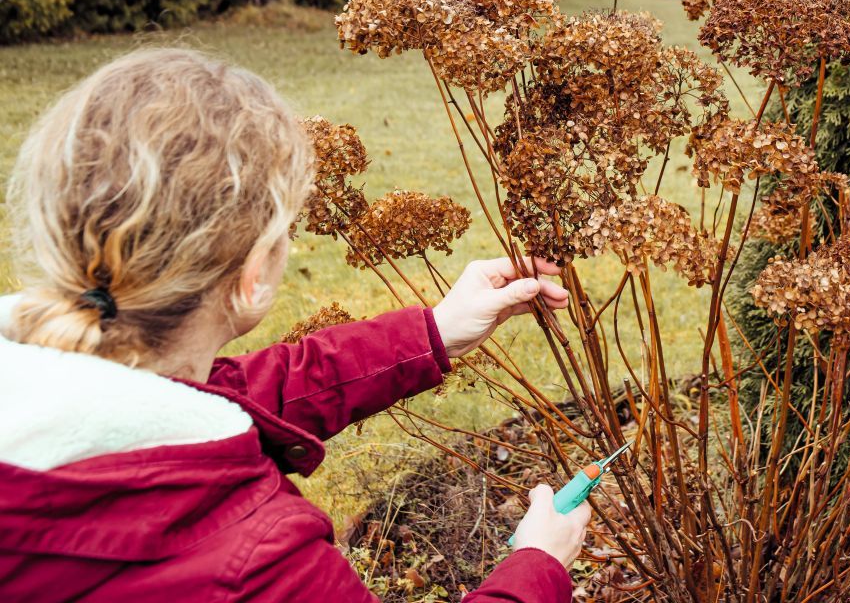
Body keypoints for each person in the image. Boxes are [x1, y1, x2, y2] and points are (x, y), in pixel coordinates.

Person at [0, 48, 591, 602]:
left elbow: (230, 398)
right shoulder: (259, 565)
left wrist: (433, 331)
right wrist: (538, 564)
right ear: (253, 274)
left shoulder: (49, 392)